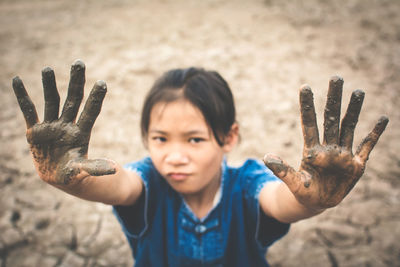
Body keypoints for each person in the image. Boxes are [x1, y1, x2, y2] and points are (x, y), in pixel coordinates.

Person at [12, 60, 388, 266]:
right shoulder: (149, 182)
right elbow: (117, 184)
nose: (174, 156)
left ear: (229, 137)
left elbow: (280, 201)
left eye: (194, 139)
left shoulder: (246, 184)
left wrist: (313, 199)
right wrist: (68, 179)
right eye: (160, 139)